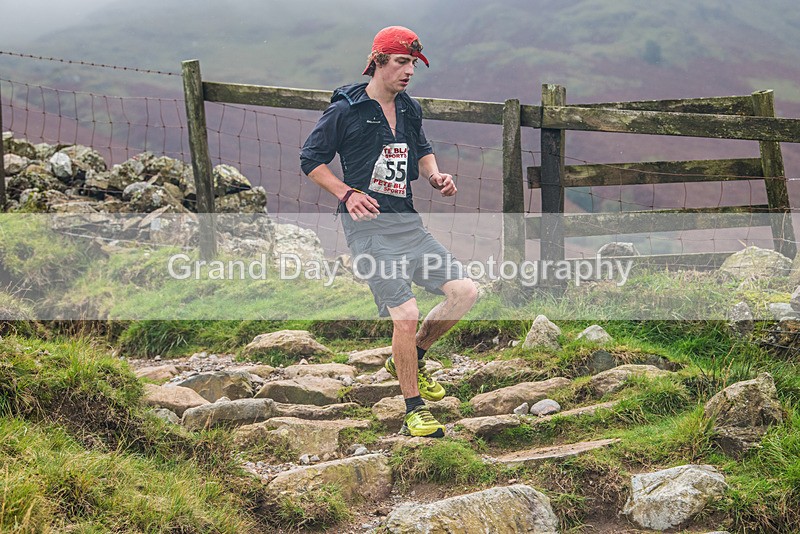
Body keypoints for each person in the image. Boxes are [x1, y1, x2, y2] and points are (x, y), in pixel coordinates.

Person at [300, 26, 477, 438]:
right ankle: (413, 409)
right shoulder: (345, 109)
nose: (409, 71)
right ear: (377, 61)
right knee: (407, 314)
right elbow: (311, 159)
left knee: (465, 292)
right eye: (401, 62)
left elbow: (422, 149)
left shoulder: (410, 108)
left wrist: (435, 176)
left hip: (408, 225)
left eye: (413, 63)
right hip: (370, 233)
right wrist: (347, 193)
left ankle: (411, 355)